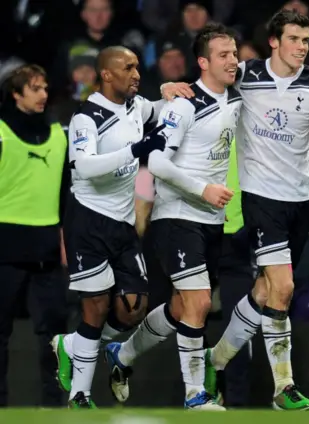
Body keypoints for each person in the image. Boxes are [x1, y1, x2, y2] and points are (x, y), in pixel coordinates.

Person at [205, 9, 309, 410]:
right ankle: (283, 388)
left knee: (265, 290)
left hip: (302, 199)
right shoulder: (247, 75)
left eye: (306, 40)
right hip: (260, 198)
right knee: (284, 288)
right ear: (274, 41)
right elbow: (206, 83)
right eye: (293, 39)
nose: (301, 47)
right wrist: (171, 89)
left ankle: (215, 359)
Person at [102, 23, 242, 410]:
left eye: (235, 53)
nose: (233, 60)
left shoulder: (236, 97)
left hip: (212, 221)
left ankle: (124, 355)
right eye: (224, 55)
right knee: (197, 304)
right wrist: (204, 190)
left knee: (182, 308)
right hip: (177, 216)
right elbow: (158, 162)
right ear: (202, 62)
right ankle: (196, 394)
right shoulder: (184, 104)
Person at [50, 46, 193, 409]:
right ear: (106, 75)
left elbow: (156, 109)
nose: (136, 73)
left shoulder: (135, 107)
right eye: (127, 68)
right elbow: (84, 166)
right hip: (88, 219)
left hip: (124, 221)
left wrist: (169, 95)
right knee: (95, 307)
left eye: (136, 67)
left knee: (133, 306)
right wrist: (136, 149)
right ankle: (80, 395)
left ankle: (73, 346)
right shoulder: (87, 116)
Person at [0, 65, 69, 407]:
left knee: (54, 336)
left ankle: (54, 405)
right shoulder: (0, 131)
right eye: (34, 88)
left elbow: (64, 193)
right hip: (5, 245)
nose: (43, 94)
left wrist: (63, 238)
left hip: (46, 248)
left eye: (45, 87)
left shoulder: (58, 132)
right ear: (16, 93)